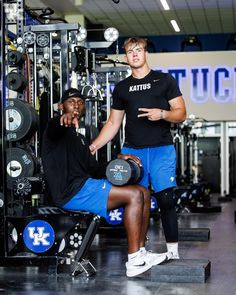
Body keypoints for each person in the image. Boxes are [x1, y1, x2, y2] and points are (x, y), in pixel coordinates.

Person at [41, 87, 167, 278]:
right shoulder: (54, 128)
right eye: (71, 102)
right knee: (134, 195)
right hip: (70, 192)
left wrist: (119, 159)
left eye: (80, 102)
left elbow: (95, 169)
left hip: (85, 186)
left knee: (144, 191)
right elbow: (56, 125)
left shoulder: (81, 139)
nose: (76, 105)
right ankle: (134, 261)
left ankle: (141, 253)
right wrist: (64, 119)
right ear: (61, 107)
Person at [90, 37, 187, 259]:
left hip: (161, 149)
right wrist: (95, 145)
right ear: (126, 57)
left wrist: (162, 114)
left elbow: (181, 112)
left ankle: (173, 251)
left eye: (138, 50)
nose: (134, 54)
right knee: (138, 200)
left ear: (145, 53)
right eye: (130, 51)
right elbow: (114, 123)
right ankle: (139, 251)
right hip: (133, 152)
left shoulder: (164, 80)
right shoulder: (122, 88)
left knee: (165, 199)